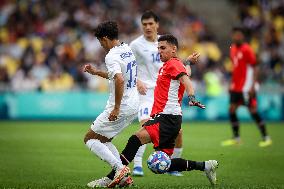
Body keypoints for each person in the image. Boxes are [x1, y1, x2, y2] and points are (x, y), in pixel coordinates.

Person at [106, 34, 218, 188]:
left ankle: (113, 176)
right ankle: (206, 166)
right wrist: (187, 62)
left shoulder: (173, 64)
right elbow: (186, 74)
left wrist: (191, 97)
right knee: (165, 164)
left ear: (174, 49)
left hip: (166, 117)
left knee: (135, 140)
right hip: (170, 119)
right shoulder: (172, 65)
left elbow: (186, 80)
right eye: (158, 48)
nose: (159, 51)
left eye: (163, 48)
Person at [130, 10, 199, 177]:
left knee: (179, 132)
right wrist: (137, 81)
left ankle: (173, 165)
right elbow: (129, 67)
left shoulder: (164, 42)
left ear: (157, 24)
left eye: (150, 23)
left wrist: (188, 62)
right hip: (146, 92)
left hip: (165, 94)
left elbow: (176, 66)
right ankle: (137, 165)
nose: (147, 27)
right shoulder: (135, 45)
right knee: (146, 126)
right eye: (144, 24)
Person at [83, 21, 139, 188]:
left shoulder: (111, 55)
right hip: (133, 103)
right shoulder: (127, 49)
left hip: (122, 106)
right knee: (104, 139)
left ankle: (119, 169)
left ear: (106, 38)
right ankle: (122, 173)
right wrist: (96, 72)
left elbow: (120, 79)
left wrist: (116, 107)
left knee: (90, 139)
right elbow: (117, 75)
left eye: (101, 42)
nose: (101, 45)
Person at [221, 26, 272, 147]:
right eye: (234, 35)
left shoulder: (247, 49)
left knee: (253, 110)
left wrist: (253, 85)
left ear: (243, 36)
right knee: (232, 109)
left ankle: (266, 137)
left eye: (238, 35)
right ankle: (236, 138)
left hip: (246, 87)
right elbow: (236, 68)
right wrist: (231, 83)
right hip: (236, 86)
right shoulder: (232, 48)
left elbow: (255, 67)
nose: (236, 37)